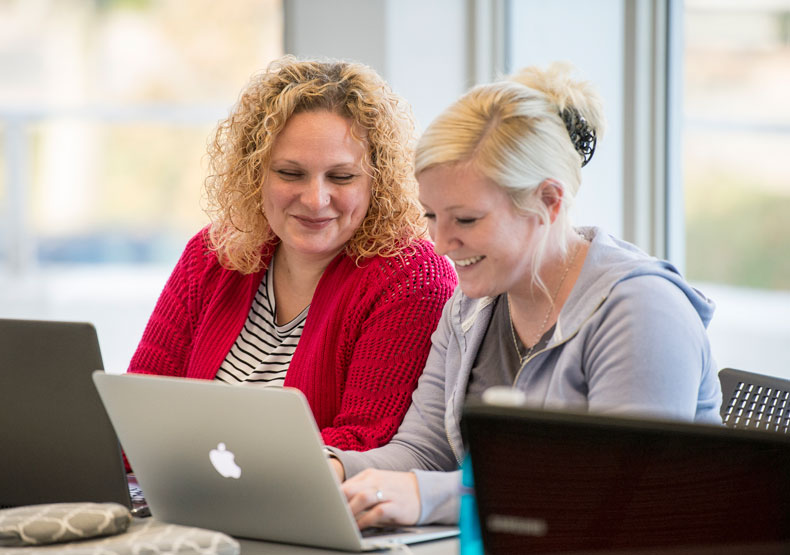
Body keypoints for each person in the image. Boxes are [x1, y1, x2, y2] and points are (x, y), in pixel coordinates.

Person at [328, 62, 722, 526]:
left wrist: (428, 495)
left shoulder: (641, 312)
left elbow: (617, 487)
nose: (440, 243)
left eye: (467, 220)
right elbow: (424, 450)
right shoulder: (472, 304)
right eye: (431, 216)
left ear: (549, 202)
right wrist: (331, 470)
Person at [128, 56, 457, 451]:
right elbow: (139, 410)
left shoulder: (412, 278)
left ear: (378, 180)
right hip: (182, 498)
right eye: (290, 173)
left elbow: (363, 442)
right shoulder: (212, 254)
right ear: (255, 173)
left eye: (342, 176)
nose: (316, 200)